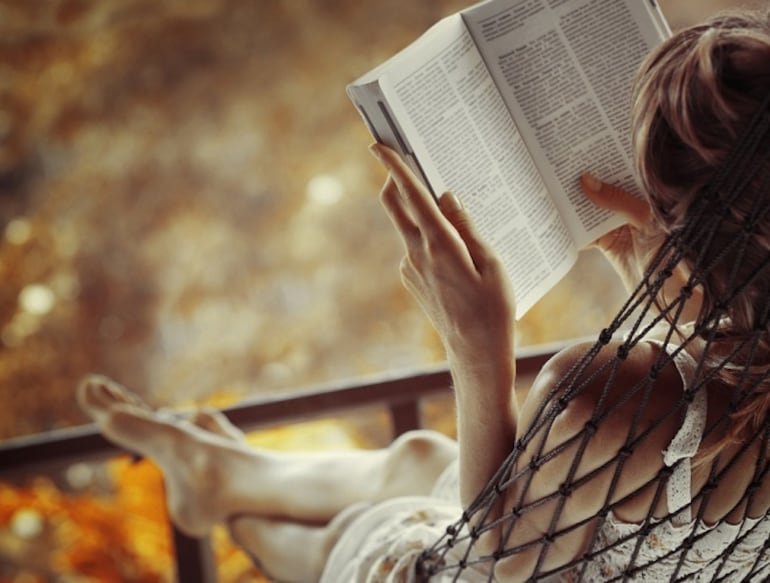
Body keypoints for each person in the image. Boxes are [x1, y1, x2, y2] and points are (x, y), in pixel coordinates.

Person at [78, 8, 770, 582]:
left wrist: (475, 349)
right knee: (414, 456)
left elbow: (480, 566)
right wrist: (649, 278)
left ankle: (228, 502)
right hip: (572, 529)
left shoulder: (604, 401)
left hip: (463, 567)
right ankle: (217, 471)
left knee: (361, 527)